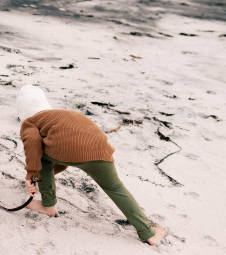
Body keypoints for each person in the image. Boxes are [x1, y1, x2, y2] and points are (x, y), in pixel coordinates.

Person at [16, 84, 167, 246]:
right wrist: (42, 177)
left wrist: (32, 175)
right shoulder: (61, 116)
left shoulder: (30, 122)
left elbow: (33, 143)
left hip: (72, 152)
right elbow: (64, 152)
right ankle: (148, 232)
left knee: (40, 154)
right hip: (102, 150)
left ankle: (48, 206)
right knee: (115, 187)